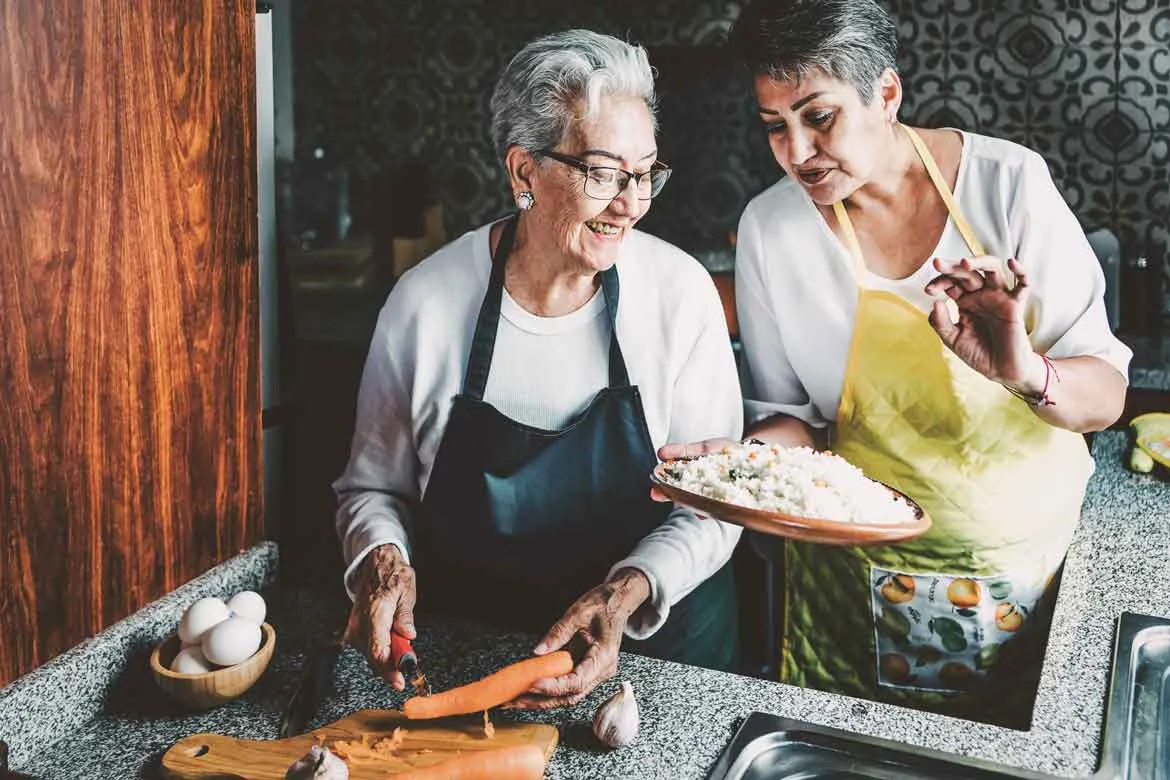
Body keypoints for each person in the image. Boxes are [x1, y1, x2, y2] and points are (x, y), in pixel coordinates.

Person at [665, 0, 1131, 727]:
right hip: (848, 586)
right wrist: (742, 465)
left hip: (1015, 571)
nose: (797, 152)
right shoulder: (772, 228)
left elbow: (1105, 395)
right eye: (773, 127)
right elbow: (799, 424)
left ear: (886, 94)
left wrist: (1023, 371)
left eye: (818, 117)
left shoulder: (1007, 186)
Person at [333, 29, 744, 710]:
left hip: (658, 670)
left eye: (644, 174)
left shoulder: (681, 293)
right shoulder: (426, 305)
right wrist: (382, 560)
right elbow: (371, 490)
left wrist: (629, 590)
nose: (632, 203)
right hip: (473, 671)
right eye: (604, 174)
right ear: (525, 172)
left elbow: (715, 507)